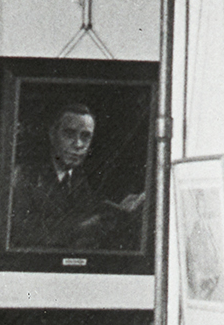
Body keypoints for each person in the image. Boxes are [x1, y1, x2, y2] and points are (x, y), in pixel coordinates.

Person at [8, 103, 145, 253]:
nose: (78, 144)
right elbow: (23, 237)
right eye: (69, 134)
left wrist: (121, 211)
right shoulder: (23, 177)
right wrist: (82, 227)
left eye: (85, 137)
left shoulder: (79, 178)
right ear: (52, 135)